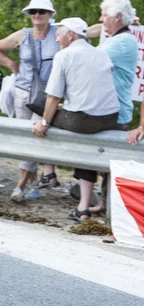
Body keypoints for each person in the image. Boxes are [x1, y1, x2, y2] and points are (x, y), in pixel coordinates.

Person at [32, 18, 120, 223]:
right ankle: (83, 208)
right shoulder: (101, 53)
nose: (56, 36)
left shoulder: (64, 55)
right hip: (110, 118)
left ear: (70, 34)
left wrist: (44, 123)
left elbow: (53, 96)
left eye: (59, 32)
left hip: (83, 120)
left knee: (38, 106)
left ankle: (48, 171)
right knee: (85, 145)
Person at [0, 0, 60, 203]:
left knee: (34, 136)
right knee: (26, 137)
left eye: (42, 11)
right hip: (22, 91)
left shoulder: (59, 33)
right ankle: (33, 185)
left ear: (50, 15)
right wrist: (11, 64)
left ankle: (18, 186)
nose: (37, 15)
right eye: (33, 11)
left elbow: (86, 32)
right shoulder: (23, 35)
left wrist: (127, 23)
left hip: (46, 95)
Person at [85, 0, 139, 214]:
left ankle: (110, 208)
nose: (101, 19)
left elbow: (89, 59)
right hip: (110, 108)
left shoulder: (123, 42)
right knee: (107, 162)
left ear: (117, 17)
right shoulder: (118, 38)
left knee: (111, 163)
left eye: (104, 15)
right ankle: (105, 205)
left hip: (115, 111)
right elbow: (87, 33)